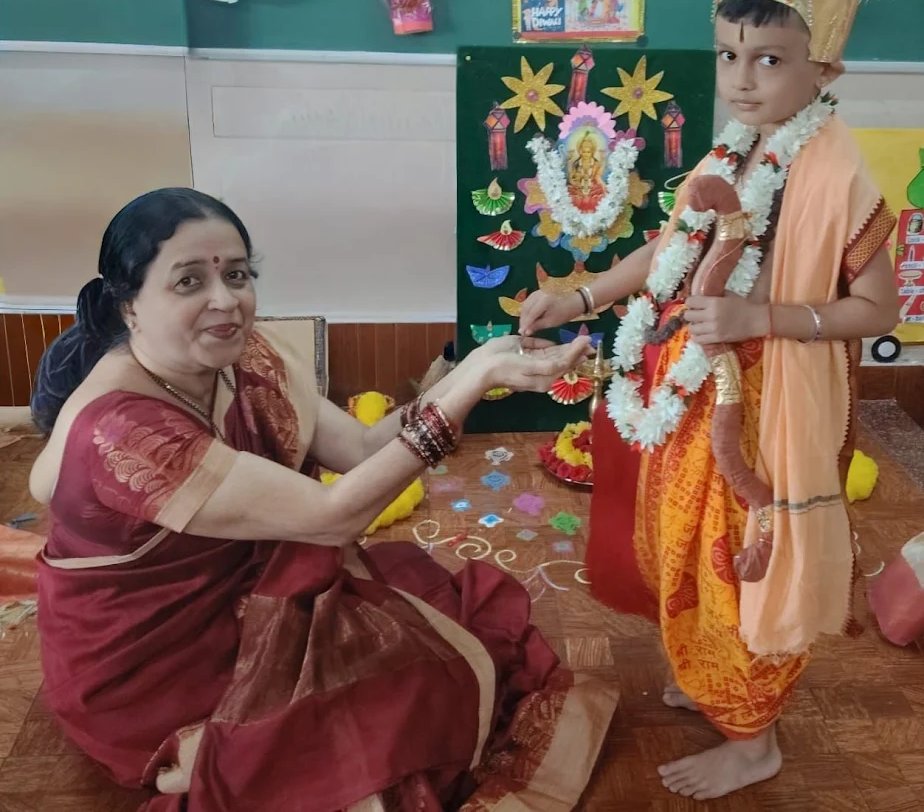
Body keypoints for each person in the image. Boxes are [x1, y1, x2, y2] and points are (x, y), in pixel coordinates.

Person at [29, 188, 617, 812]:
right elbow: (334, 519)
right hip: (153, 666)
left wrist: (471, 369)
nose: (224, 299)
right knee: (371, 740)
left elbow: (363, 449)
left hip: (248, 592)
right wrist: (466, 389)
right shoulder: (124, 430)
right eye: (188, 282)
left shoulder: (242, 355)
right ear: (129, 308)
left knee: (431, 661)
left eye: (236, 274)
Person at [519, 0, 899, 801]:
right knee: (685, 542)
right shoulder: (740, 144)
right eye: (729, 54)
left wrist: (759, 318)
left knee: (748, 559)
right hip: (698, 384)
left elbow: (879, 309)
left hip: (773, 410)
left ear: (826, 67)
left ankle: (757, 735)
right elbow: (674, 242)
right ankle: (714, 682)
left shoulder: (837, 167)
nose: (740, 78)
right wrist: (581, 295)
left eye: (769, 59)